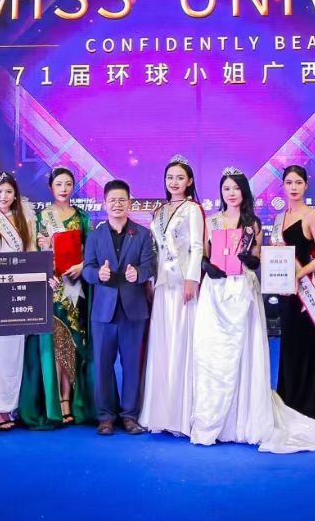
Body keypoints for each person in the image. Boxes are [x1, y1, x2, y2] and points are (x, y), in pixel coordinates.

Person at [188, 168, 315, 453]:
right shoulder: (211, 220)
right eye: (226, 188)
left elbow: (258, 257)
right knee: (214, 353)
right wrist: (206, 266)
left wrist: (251, 261)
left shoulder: (253, 223)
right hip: (216, 293)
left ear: (244, 192)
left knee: (245, 351)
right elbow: (203, 252)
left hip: (243, 290)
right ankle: (214, 417)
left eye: (236, 188)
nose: (231, 193)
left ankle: (245, 416)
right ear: (221, 192)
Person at [20, 166, 96, 430]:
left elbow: (91, 252)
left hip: (74, 287)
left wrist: (82, 266)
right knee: (53, 343)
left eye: (68, 184)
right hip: (51, 288)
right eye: (59, 184)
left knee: (72, 343)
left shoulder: (83, 218)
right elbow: (32, 255)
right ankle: (56, 401)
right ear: (51, 187)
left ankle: (69, 398)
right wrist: (44, 258)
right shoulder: (41, 218)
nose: (63, 189)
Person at [81, 180, 156, 435]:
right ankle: (105, 416)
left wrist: (139, 274)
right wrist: (97, 275)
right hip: (104, 311)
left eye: (122, 200)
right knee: (103, 365)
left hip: (133, 310)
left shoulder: (142, 234)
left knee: (132, 364)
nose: (117, 204)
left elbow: (149, 266)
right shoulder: (95, 235)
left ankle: (130, 415)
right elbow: (87, 269)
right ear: (104, 204)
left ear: (129, 203)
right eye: (112, 200)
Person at [136, 155, 203, 436]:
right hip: (163, 284)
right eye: (170, 178)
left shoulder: (193, 209)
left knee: (181, 342)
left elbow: (197, 247)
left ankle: (181, 413)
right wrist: (150, 280)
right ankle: (160, 411)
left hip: (183, 284)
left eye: (179, 178)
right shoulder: (159, 211)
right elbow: (155, 250)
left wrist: (192, 279)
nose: (174, 182)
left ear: (189, 181)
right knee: (162, 343)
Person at [274, 164, 315, 428]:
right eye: (289, 182)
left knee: (307, 348)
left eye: (298, 182)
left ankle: (310, 409)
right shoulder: (280, 218)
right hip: (287, 293)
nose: (294, 187)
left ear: (306, 185)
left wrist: (301, 273)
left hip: (306, 294)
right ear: (283, 186)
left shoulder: (311, 216)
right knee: (289, 348)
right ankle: (289, 405)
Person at [0, 172, 36, 430]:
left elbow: (31, 254)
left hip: (16, 292)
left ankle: (8, 407)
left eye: (8, 191)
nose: (3, 196)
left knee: (13, 351)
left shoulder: (25, 219)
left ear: (15, 195)